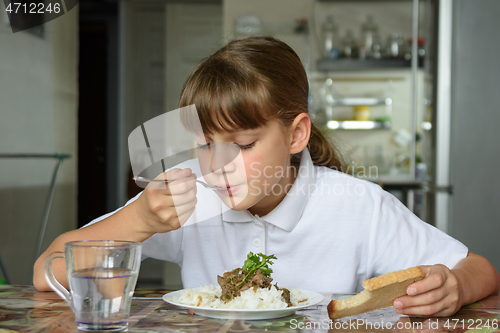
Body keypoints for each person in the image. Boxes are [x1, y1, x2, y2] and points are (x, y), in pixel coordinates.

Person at [33, 36, 499, 317]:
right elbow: (45, 272)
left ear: (296, 133)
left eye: (243, 145)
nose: (218, 165)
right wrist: (138, 222)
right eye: (204, 144)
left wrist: (455, 288)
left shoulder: (358, 206)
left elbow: (481, 269)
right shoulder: (190, 193)